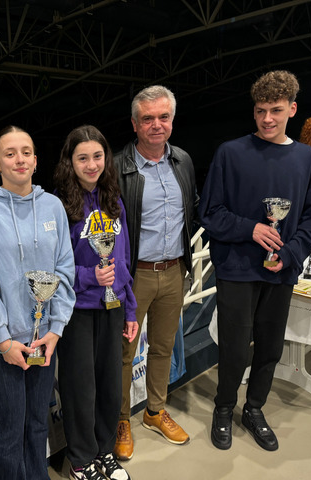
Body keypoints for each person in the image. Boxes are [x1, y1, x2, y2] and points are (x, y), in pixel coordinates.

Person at [199, 70, 311, 451]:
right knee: (235, 347)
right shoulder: (230, 153)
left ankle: (254, 408)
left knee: (270, 347)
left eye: (276, 110)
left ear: (292, 109)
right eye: (260, 111)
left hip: (280, 269)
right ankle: (224, 407)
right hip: (236, 267)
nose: (267, 119)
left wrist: (289, 254)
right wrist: (250, 228)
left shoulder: (307, 159)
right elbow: (210, 213)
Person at [0, 125, 76, 479]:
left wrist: (56, 329)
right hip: (4, 344)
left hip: (44, 339)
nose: (19, 159)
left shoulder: (52, 206)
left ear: (35, 160)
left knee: (37, 423)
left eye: (26, 152)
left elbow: (64, 268)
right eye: (10, 153)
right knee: (9, 430)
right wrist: (3, 341)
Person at [113, 85, 198, 460]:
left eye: (164, 117)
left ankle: (154, 411)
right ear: (134, 124)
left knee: (163, 347)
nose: (156, 125)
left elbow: (192, 209)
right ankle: (121, 420)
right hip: (134, 277)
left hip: (174, 270)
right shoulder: (117, 166)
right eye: (147, 118)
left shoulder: (183, 160)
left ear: (172, 120)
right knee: (123, 353)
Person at [54, 125, 138, 480]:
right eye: (82, 158)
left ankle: (104, 451)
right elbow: (54, 266)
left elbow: (124, 258)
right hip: (77, 310)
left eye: (98, 156)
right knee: (80, 389)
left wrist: (130, 307)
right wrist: (89, 276)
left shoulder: (113, 199)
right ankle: (80, 459)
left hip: (113, 307)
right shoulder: (58, 205)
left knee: (109, 385)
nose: (91, 165)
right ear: (70, 162)